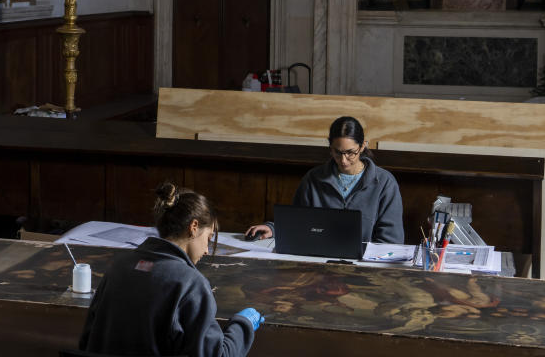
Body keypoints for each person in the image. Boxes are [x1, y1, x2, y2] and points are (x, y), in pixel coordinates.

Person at [79, 183, 264, 357]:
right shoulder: (190, 283)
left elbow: (86, 341)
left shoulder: (119, 266)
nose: (207, 250)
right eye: (209, 237)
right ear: (194, 227)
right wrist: (243, 324)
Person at [244, 116, 404, 244]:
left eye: (350, 152)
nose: (343, 160)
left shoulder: (385, 183)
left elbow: (391, 241)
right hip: (318, 261)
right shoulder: (313, 179)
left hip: (365, 267)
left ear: (363, 146)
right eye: (337, 152)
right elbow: (298, 221)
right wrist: (273, 228)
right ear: (330, 147)